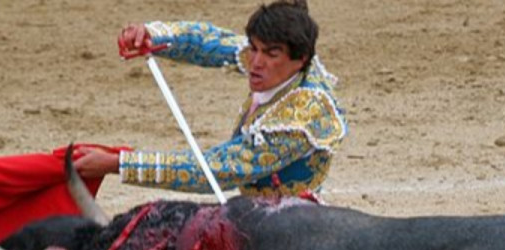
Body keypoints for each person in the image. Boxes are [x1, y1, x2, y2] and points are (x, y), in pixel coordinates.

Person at [74, 0, 346, 198]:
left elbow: (216, 169)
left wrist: (119, 164)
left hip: (291, 232)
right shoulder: (285, 63)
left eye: (270, 54)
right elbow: (210, 42)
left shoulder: (301, 117)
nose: (255, 62)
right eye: (253, 48)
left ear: (301, 59)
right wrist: (152, 35)